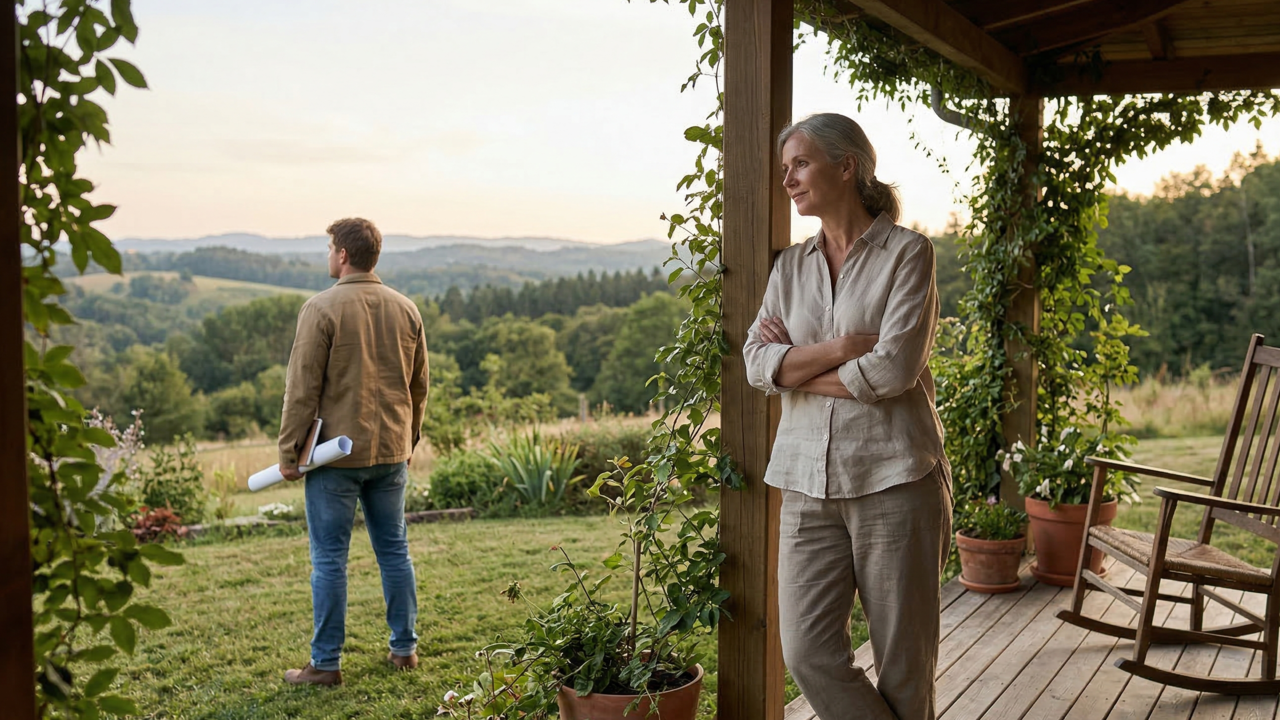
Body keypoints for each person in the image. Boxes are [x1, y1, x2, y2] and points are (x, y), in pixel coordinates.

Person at [743, 113, 952, 720]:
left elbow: (892, 372)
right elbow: (757, 364)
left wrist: (797, 369)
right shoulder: (790, 267)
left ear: (846, 166)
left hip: (895, 476)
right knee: (806, 652)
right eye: (786, 169)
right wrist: (838, 349)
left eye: (800, 164)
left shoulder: (909, 255)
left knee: (904, 664)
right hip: (805, 480)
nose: (789, 179)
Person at [278, 217, 430, 686]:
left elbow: (301, 389)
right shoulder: (407, 309)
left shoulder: (320, 309)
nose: (328, 255)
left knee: (329, 560)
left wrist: (289, 452)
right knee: (394, 551)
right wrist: (410, 441)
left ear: (343, 255)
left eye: (329, 248)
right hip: (390, 452)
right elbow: (419, 386)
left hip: (334, 458)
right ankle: (404, 650)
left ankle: (325, 664)